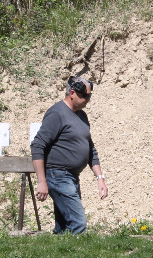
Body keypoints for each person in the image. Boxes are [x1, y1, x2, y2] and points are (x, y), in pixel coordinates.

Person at [30, 76, 108, 234]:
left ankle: (57, 256)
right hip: (58, 175)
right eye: (85, 96)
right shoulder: (57, 113)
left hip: (71, 177)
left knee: (64, 226)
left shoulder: (82, 116)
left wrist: (100, 178)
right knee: (78, 223)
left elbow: (90, 148)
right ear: (72, 93)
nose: (88, 100)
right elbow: (38, 145)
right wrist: (42, 181)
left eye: (90, 96)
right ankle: (77, 257)